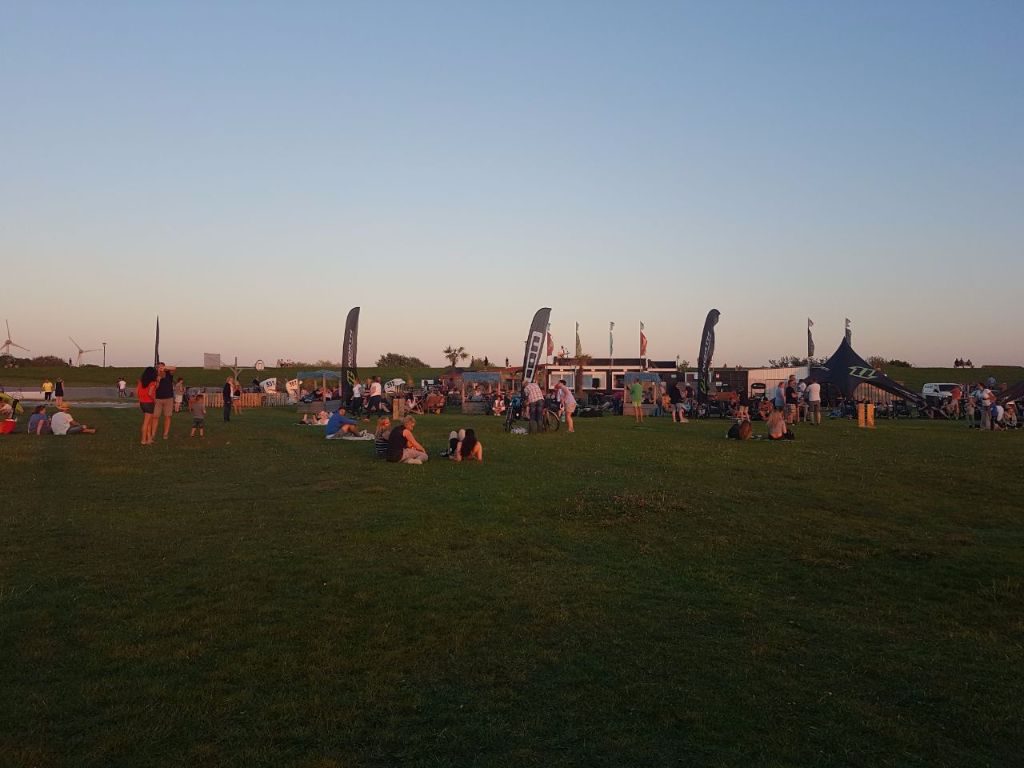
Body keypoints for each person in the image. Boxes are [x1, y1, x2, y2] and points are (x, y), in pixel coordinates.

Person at [153, 362, 176, 439]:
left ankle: (165, 434)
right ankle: (153, 434)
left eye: (162, 367)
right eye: (159, 367)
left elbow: (174, 368)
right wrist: (158, 380)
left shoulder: (168, 373)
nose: (160, 368)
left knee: (168, 416)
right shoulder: (155, 375)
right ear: (156, 368)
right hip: (158, 399)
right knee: (155, 417)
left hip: (169, 398)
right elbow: (154, 388)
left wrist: (165, 368)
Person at [137, 366, 158, 444]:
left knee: (149, 422)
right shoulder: (152, 383)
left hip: (142, 403)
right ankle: (143, 440)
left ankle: (149, 439)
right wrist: (154, 400)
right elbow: (150, 393)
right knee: (146, 423)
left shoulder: (140, 382)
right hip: (149, 403)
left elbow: (137, 392)